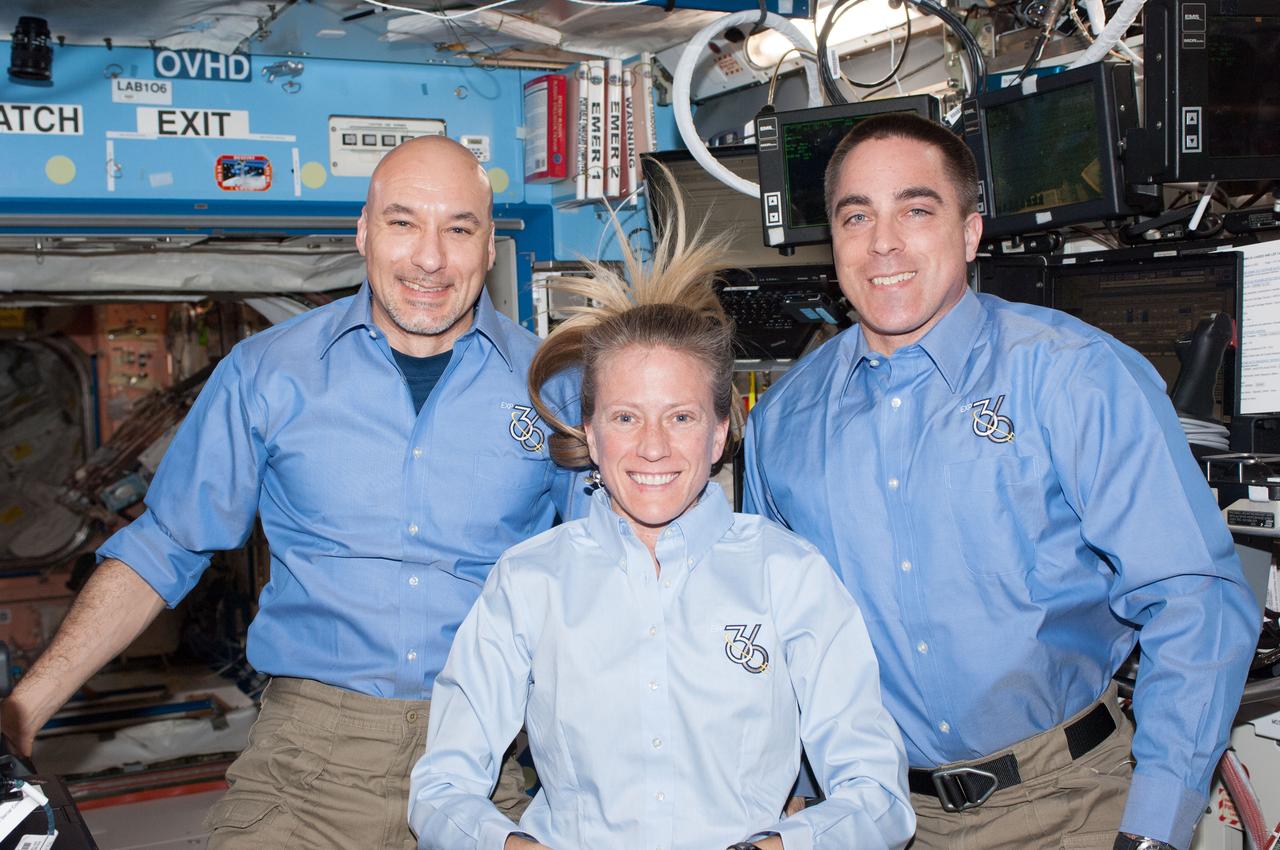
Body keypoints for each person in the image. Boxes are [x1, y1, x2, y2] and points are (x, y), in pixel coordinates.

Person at [0, 136, 584, 849]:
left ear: (489, 247)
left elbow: (607, 575)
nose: (430, 257)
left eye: (458, 228)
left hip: (486, 765)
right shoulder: (267, 374)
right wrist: (24, 709)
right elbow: (164, 546)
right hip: (309, 762)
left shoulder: (553, 387)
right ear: (363, 233)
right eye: (403, 222)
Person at [742, 113, 1259, 850]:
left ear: (970, 233)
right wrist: (790, 797)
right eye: (857, 216)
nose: (883, 242)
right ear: (834, 241)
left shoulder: (1075, 377)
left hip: (1071, 806)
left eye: (917, 211)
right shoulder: (784, 421)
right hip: (876, 815)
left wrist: (1156, 824)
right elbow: (776, 636)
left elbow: (1194, 598)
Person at [407, 188, 914, 850]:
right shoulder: (530, 582)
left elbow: (877, 797)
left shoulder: (788, 576)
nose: (652, 447)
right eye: (625, 417)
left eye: (680, 417)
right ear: (590, 433)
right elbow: (440, 788)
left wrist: (785, 847)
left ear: (718, 433)